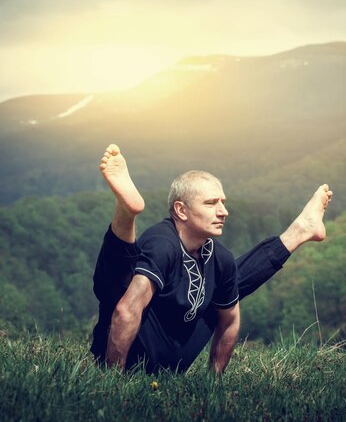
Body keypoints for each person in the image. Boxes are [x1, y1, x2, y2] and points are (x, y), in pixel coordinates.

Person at [91, 144, 333, 375]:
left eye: (222, 202)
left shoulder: (220, 258)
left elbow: (229, 321)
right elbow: (125, 310)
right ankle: (126, 212)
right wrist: (113, 380)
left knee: (226, 286)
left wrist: (212, 384)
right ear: (181, 210)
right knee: (119, 287)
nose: (223, 211)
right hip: (126, 355)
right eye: (211, 203)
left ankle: (300, 230)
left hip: (168, 366)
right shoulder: (162, 243)